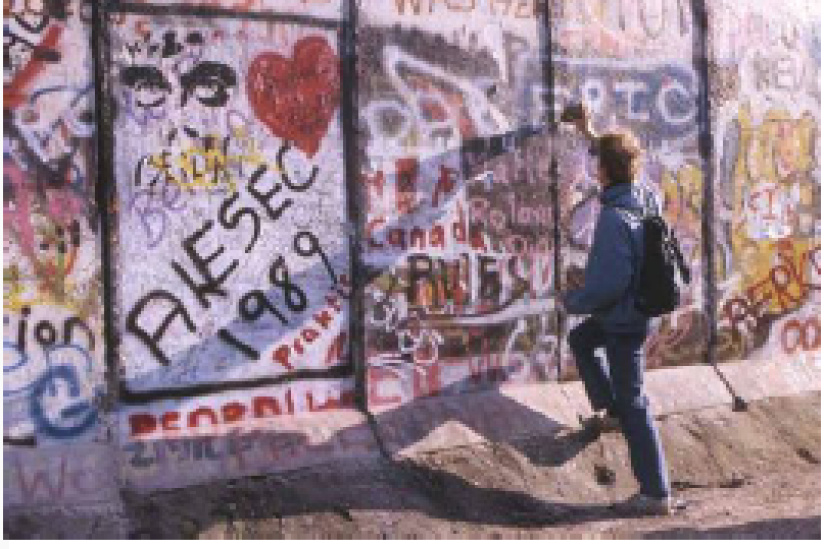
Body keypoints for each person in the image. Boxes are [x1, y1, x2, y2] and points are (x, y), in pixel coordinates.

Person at [559, 103, 682, 516]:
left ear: (603, 172)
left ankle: (655, 492)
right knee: (582, 340)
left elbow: (607, 285)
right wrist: (589, 131)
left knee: (635, 402)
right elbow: (619, 160)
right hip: (638, 308)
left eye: (598, 163)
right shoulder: (644, 196)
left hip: (623, 319)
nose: (594, 168)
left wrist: (571, 301)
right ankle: (611, 411)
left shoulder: (613, 218)